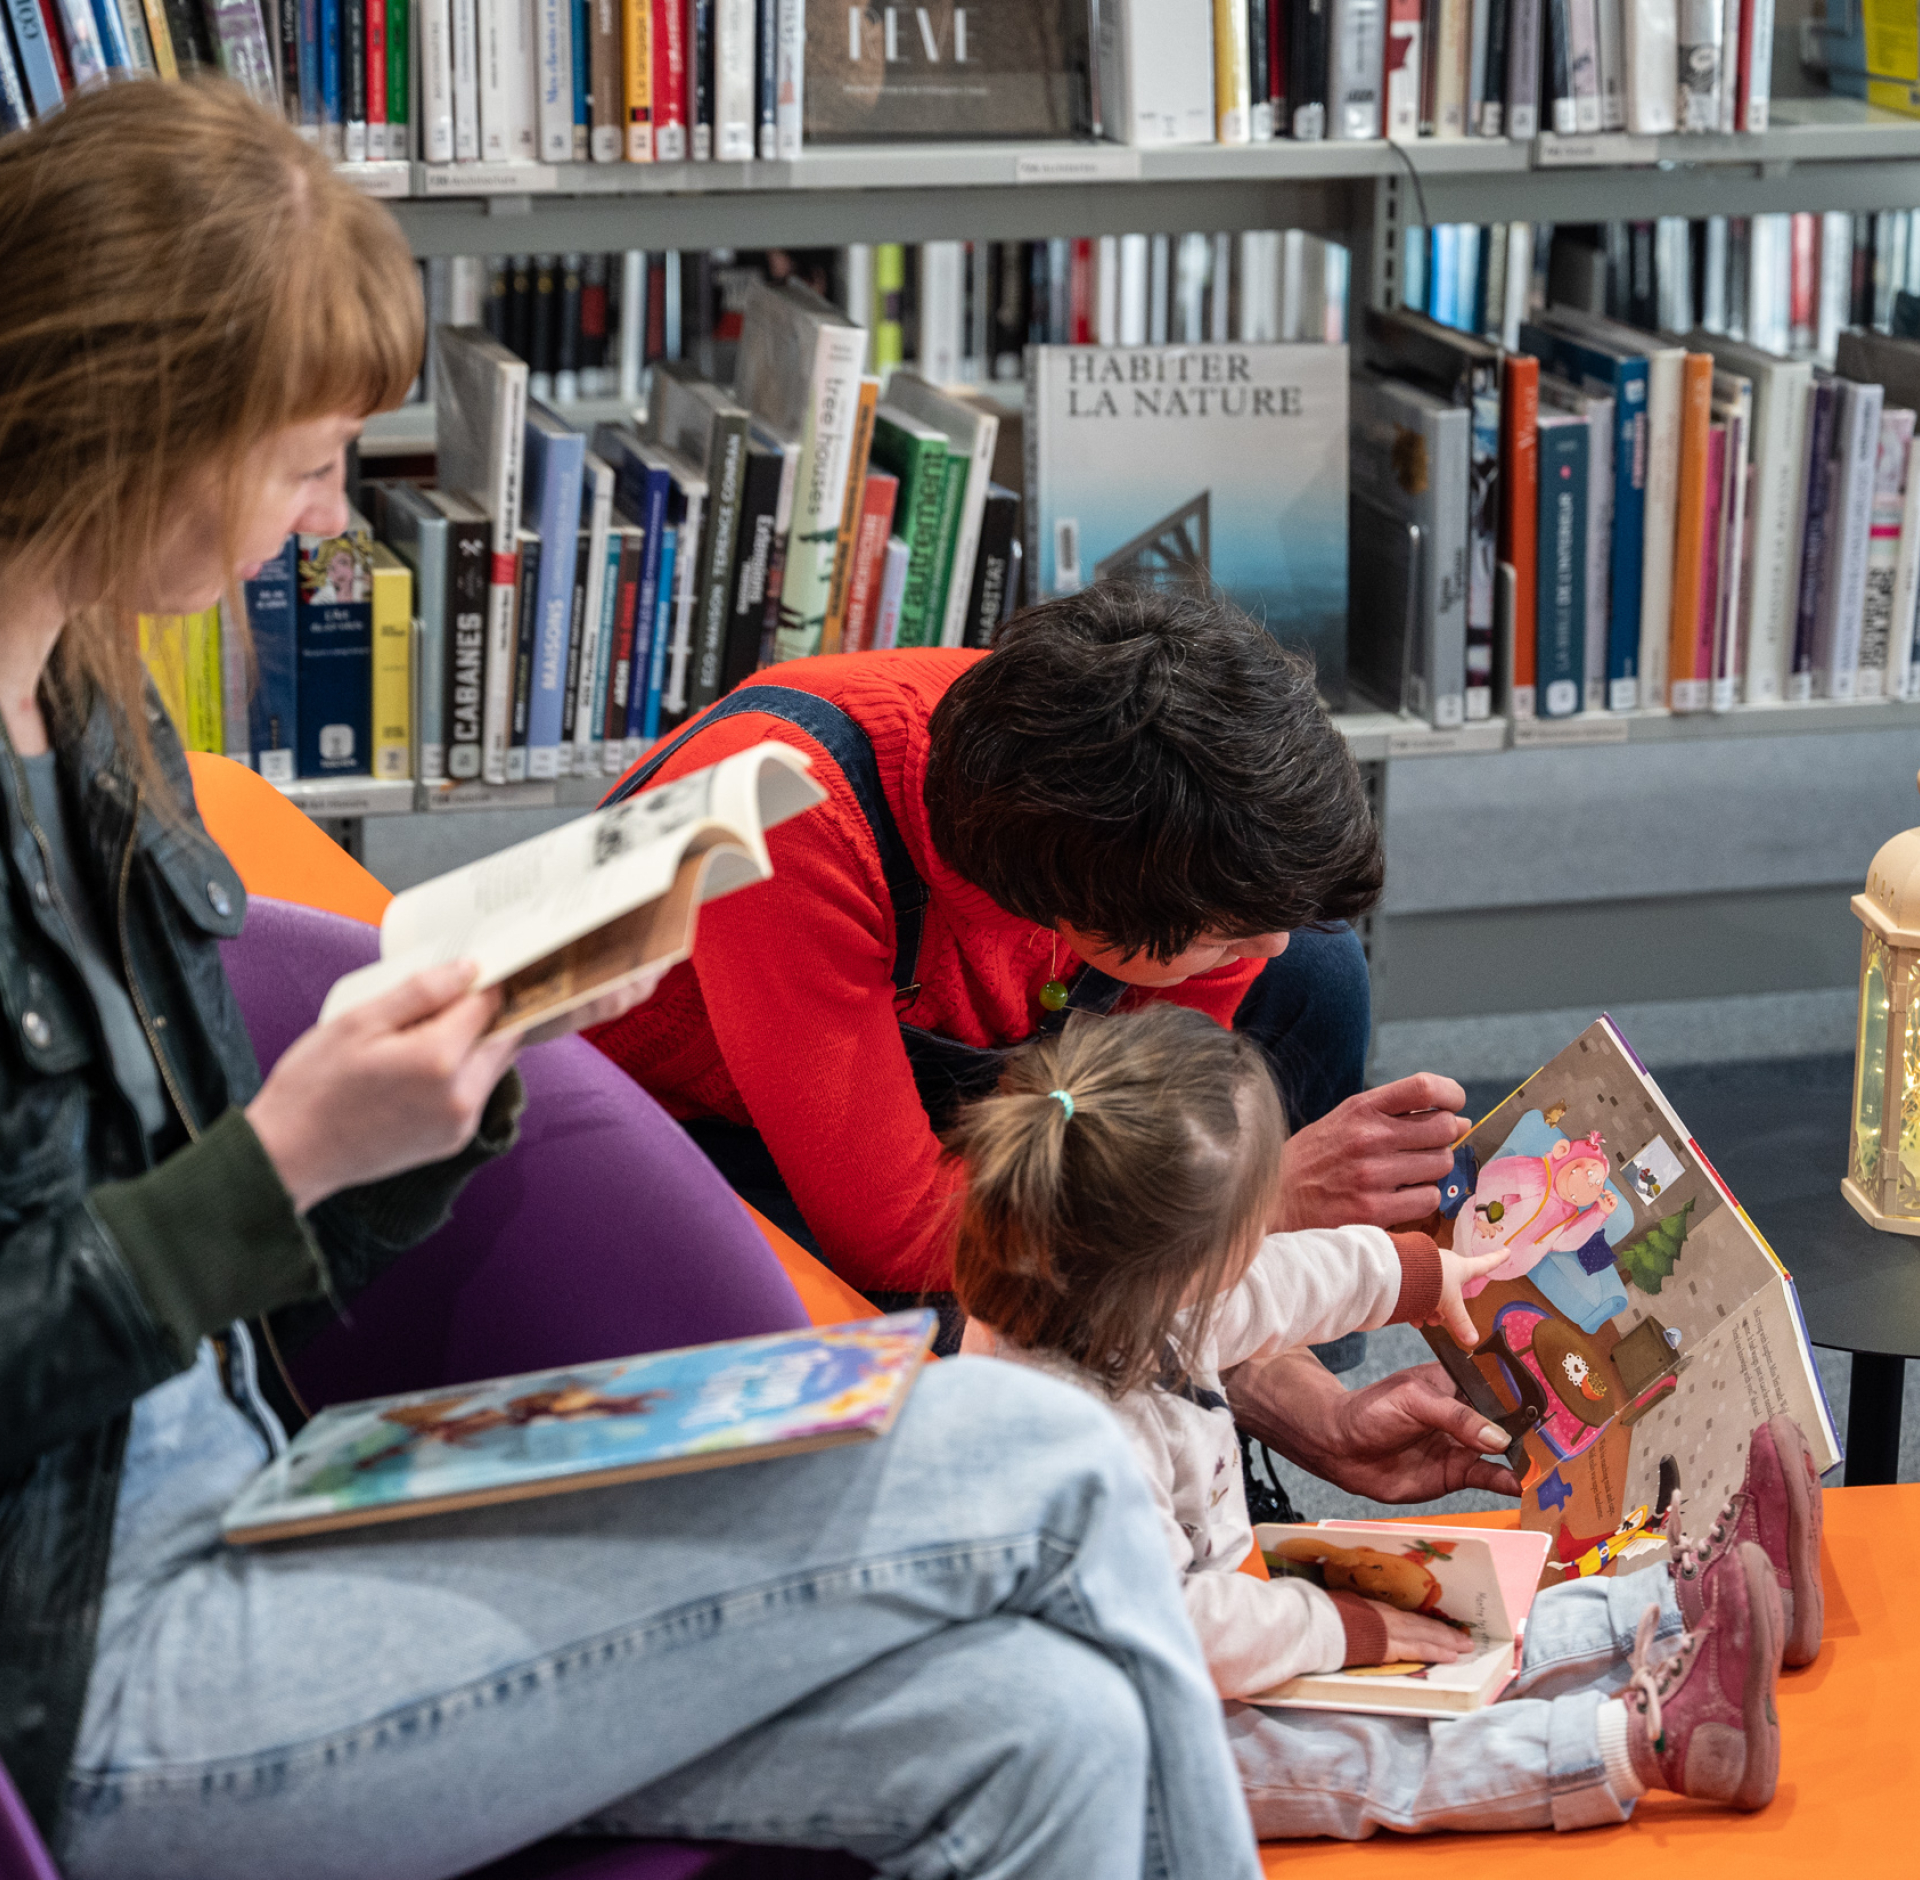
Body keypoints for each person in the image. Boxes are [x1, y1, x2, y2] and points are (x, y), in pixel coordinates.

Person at [0, 78, 1268, 1880]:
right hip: (98, 1678)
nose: (325, 520)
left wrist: (434, 1100)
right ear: (133, 428)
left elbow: (232, 1261)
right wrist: (274, 1167)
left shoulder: (88, 735)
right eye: (301, 463)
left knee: (1039, 1728)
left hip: (262, 1477)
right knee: (1045, 1464)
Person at [948, 1005, 1828, 1838]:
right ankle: (1649, 1742)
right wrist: (1341, 1633)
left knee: (1449, 1613)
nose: (1260, 1251)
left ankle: (1686, 1606)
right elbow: (1183, 1631)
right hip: (1133, 1740)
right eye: (1250, 1232)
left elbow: (1280, 1282)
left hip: (1215, 1625)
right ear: (1184, 1266)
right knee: (1368, 1755)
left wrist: (1416, 1272)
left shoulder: (1117, 1290)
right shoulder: (1071, 1446)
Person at [589, 587, 1473, 1373]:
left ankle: (1239, 1391)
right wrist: (1264, 1194)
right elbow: (897, 1235)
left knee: (1316, 969)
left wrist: (1304, 1392)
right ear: (1080, 908)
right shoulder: (786, 815)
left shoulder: (1116, 767)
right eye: (1228, 931)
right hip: (704, 1134)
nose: (1264, 945)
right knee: (949, 1329)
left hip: (944, 1075)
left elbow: (1170, 1110)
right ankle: (1170, 1409)